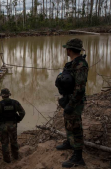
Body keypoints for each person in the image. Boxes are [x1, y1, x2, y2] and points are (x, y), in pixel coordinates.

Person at [55, 38, 88, 168]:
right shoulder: (72, 63)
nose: (66, 51)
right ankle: (69, 142)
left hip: (75, 101)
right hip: (69, 98)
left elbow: (80, 89)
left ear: (69, 49)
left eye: (66, 49)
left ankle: (78, 157)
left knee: (76, 127)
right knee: (68, 123)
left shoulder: (81, 65)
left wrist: (72, 104)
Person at [0, 88, 25, 163]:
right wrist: (18, 119)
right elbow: (22, 112)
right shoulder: (15, 103)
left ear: (2, 96)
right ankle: (15, 156)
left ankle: (7, 160)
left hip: (3, 126)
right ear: (9, 95)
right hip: (13, 125)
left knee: (4, 143)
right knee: (14, 141)